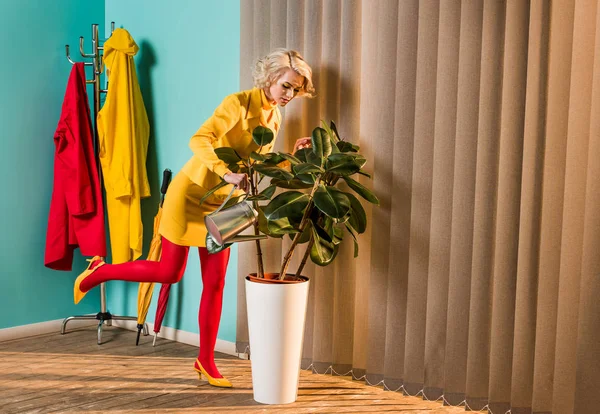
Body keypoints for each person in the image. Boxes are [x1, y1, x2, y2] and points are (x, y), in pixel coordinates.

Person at [73, 48, 315, 388]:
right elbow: (199, 139)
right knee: (169, 272)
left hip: (226, 206)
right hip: (189, 195)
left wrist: (293, 159)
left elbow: (258, 162)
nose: (290, 95)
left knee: (215, 283)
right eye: (287, 86)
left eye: (296, 89)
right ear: (271, 77)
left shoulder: (273, 116)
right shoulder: (238, 103)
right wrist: (225, 172)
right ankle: (101, 271)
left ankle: (206, 360)